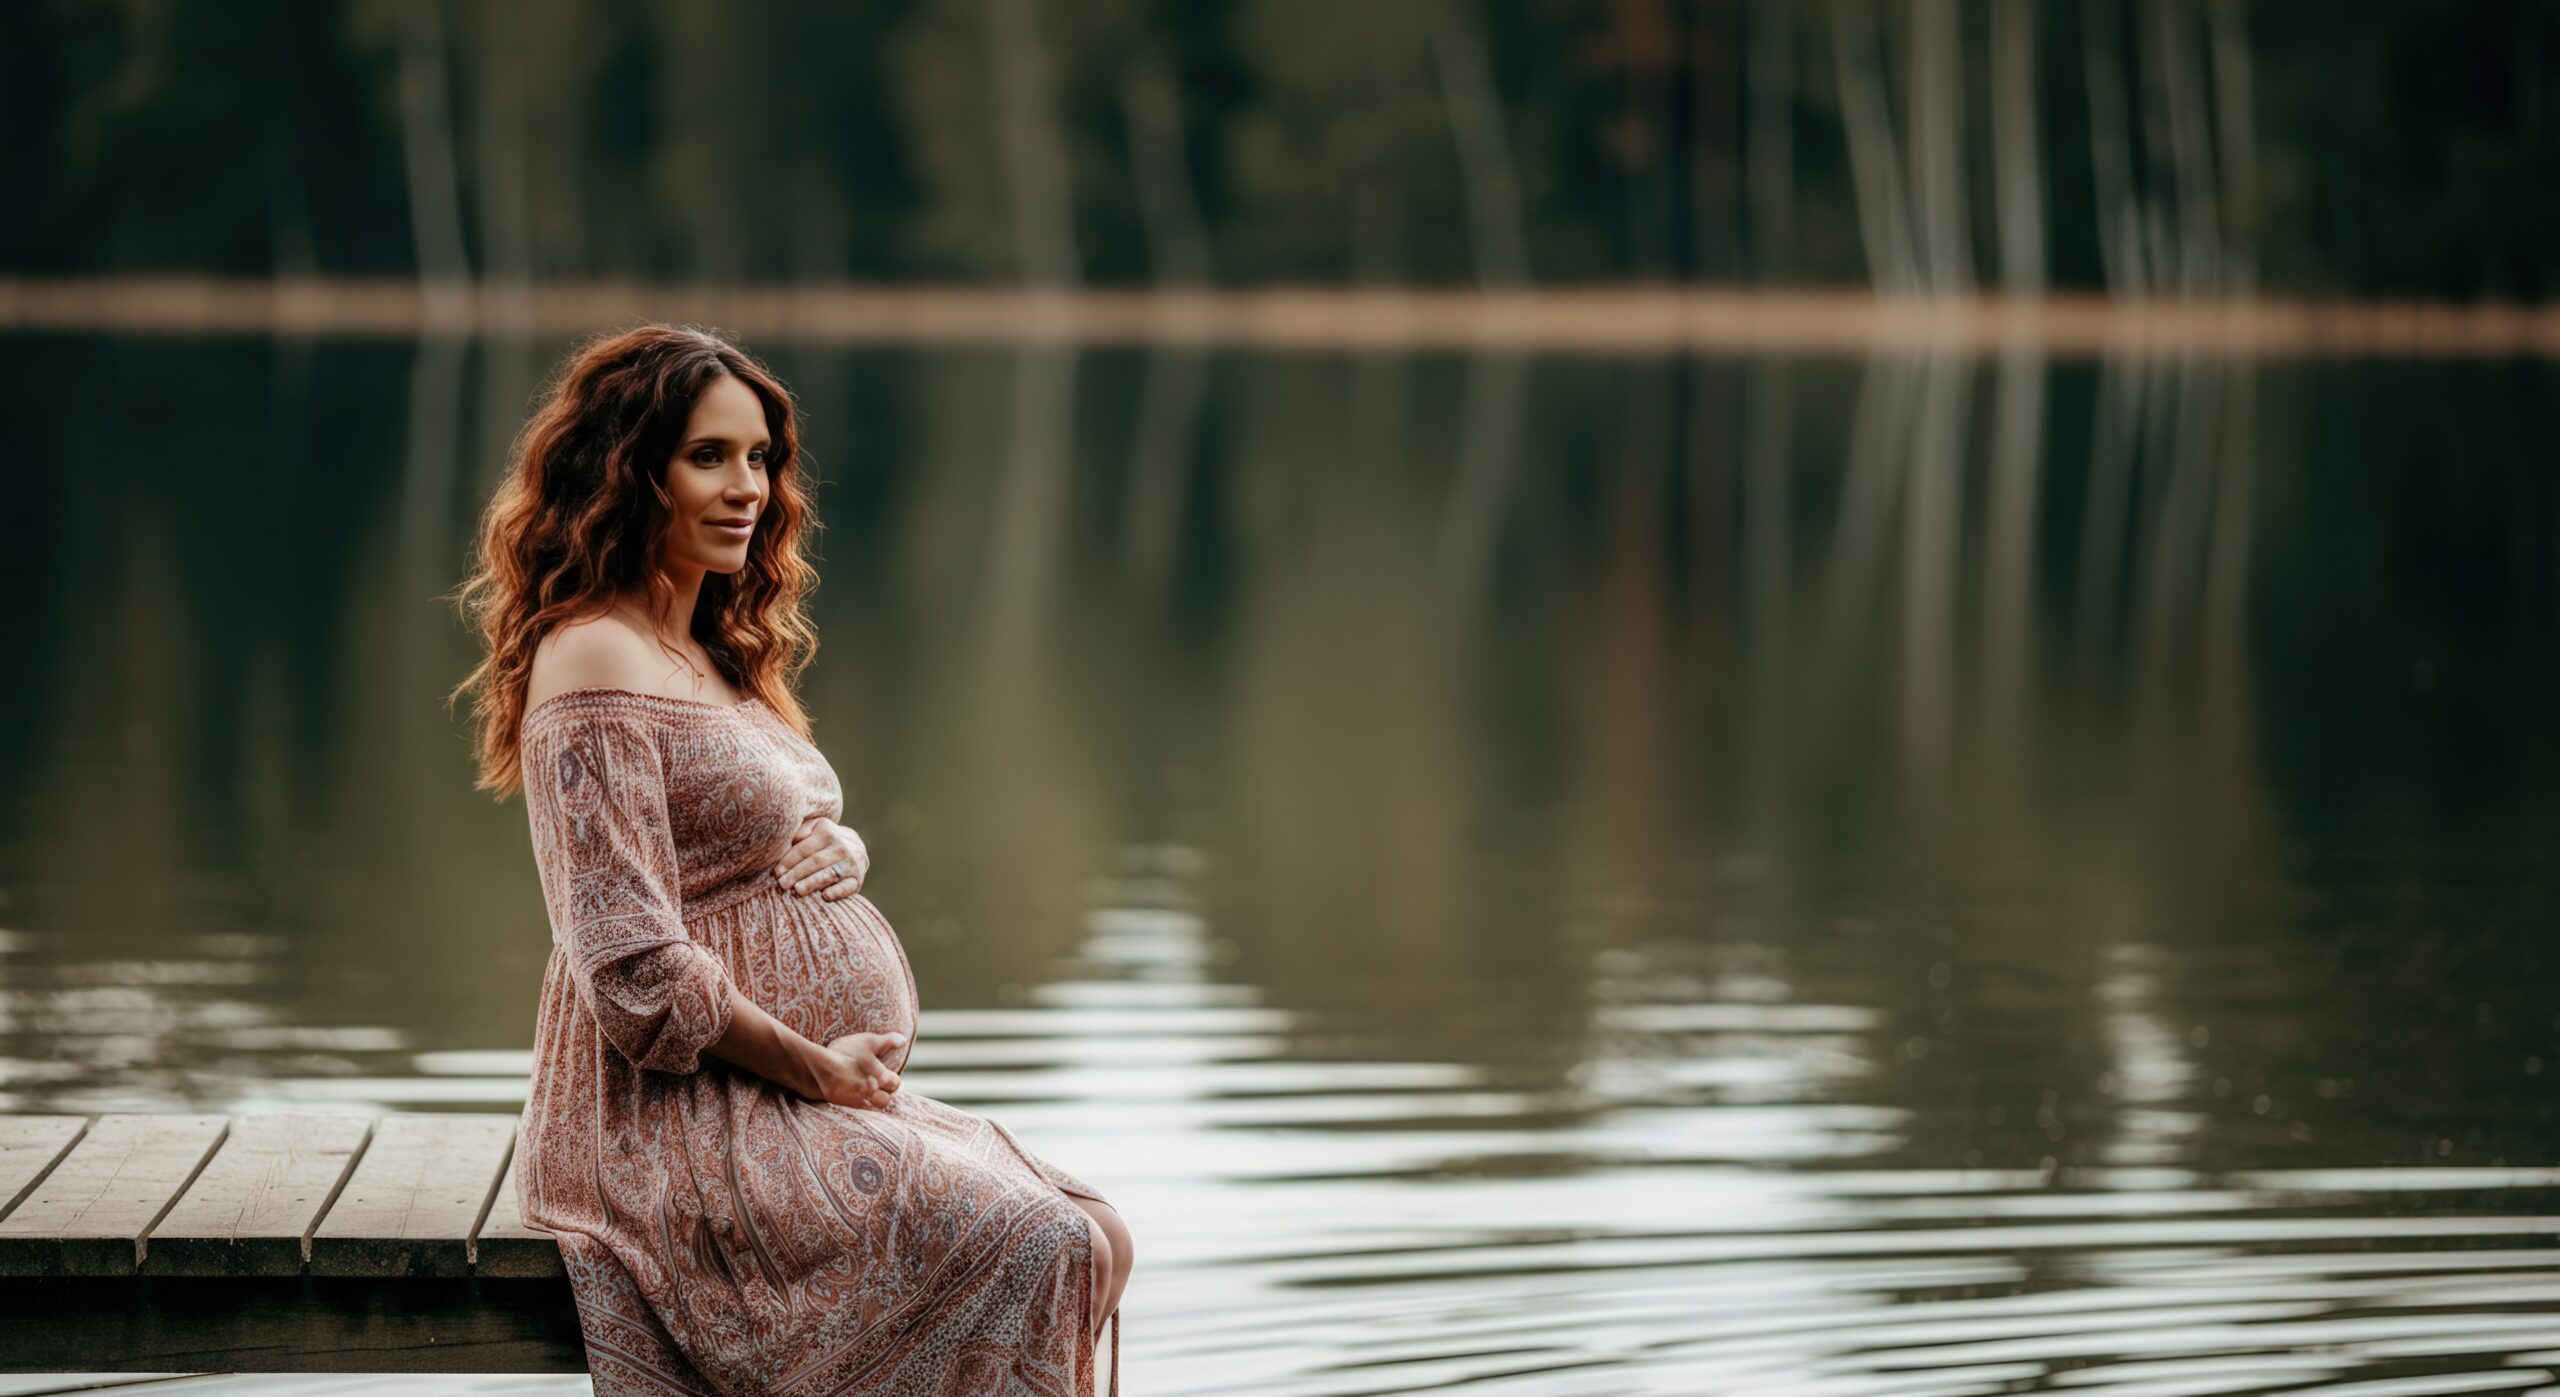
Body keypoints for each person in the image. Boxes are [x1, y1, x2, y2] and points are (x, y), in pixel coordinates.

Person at [446, 324, 1131, 1395]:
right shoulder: (593, 656)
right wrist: (820, 1068)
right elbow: (626, 966)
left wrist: (836, 843)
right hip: (672, 1113)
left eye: (760, 456)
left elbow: (756, 814)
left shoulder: (716, 648)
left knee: (1098, 1230)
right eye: (707, 456)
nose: (747, 487)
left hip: (784, 1094)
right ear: (630, 472)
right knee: (1044, 1240)